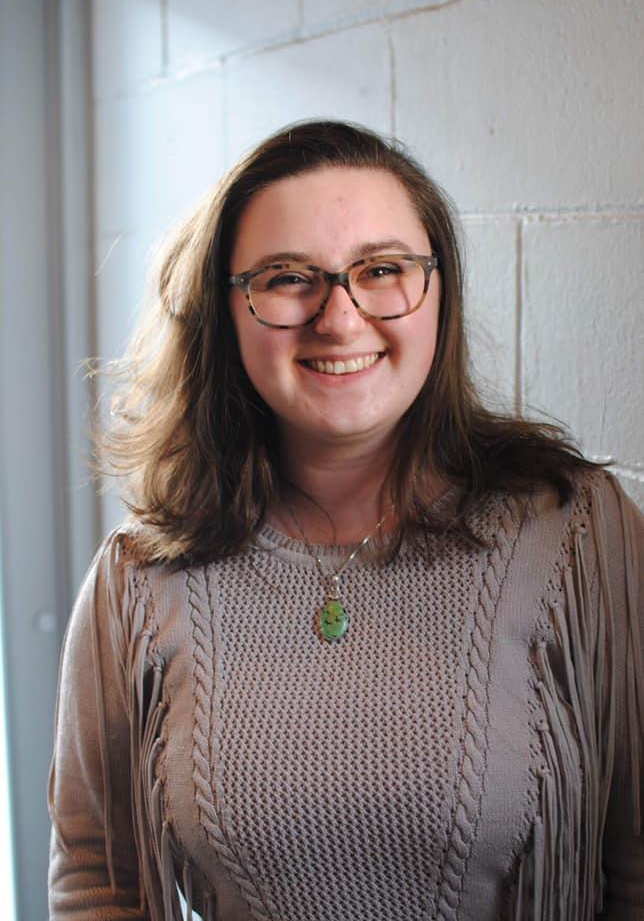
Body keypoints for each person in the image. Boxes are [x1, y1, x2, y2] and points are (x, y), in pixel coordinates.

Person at [48, 120, 642, 920]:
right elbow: (97, 877)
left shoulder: (577, 535)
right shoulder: (138, 578)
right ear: (224, 309)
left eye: (382, 269)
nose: (340, 316)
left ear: (438, 291)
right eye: (289, 277)